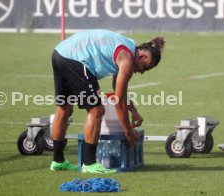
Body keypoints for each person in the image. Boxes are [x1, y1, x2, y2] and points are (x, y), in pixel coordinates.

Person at [49, 29, 165, 173]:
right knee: (97, 110)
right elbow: (119, 102)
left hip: (60, 53)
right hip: (76, 59)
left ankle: (58, 161)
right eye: (145, 68)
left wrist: (134, 111)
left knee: (64, 109)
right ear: (142, 56)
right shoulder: (127, 60)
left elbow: (118, 92)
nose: (141, 72)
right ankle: (89, 163)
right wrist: (128, 131)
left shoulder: (126, 48)